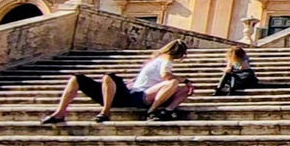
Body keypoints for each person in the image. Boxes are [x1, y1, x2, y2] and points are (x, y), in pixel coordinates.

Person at [41, 40, 193, 124]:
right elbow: (166, 75)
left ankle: (60, 113)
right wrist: (185, 80)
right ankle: (152, 111)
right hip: (138, 95)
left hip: (134, 93)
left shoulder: (155, 60)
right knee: (174, 83)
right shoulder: (166, 60)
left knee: (78, 78)